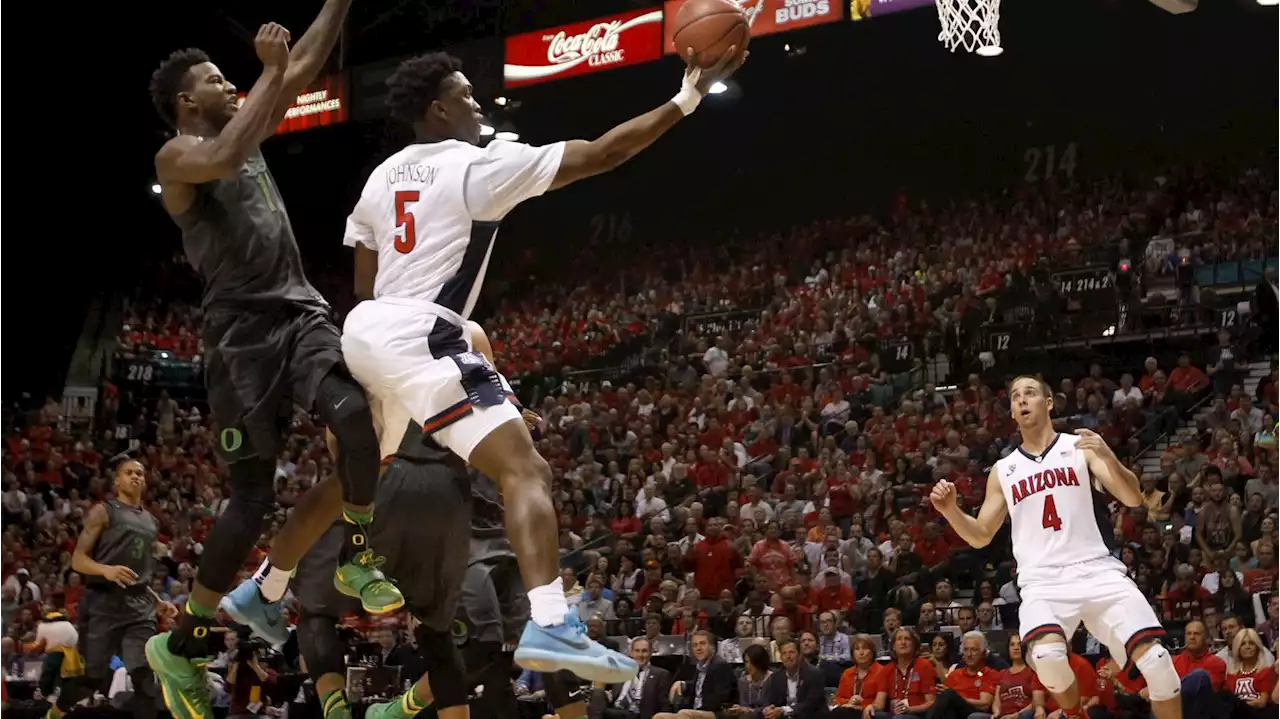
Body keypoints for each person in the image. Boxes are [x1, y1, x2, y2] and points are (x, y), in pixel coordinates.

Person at [336, 41, 745, 683]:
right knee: (526, 470)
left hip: (366, 331)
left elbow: (364, 279)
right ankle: (552, 623)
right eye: (467, 96)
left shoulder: (380, 176)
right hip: (421, 333)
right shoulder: (477, 167)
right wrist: (687, 96)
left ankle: (269, 584)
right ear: (439, 111)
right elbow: (605, 152)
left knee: (367, 467)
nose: (478, 105)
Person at [144, 3, 403, 718]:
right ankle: (185, 642)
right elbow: (225, 154)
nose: (231, 86)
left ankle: (358, 553)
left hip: (300, 313)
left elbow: (307, 64)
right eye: (215, 80)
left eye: (234, 79)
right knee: (250, 500)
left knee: (356, 418)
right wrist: (267, 73)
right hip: (239, 339)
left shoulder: (248, 125)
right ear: (186, 101)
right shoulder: (178, 158)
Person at [930, 375, 1184, 719]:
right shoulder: (1004, 470)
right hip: (1043, 581)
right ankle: (1075, 714)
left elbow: (1132, 496)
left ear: (1048, 403)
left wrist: (1108, 454)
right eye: (1016, 396)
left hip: (1097, 570)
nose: (1022, 400)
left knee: (1157, 662)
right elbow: (980, 535)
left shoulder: (1079, 448)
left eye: (1030, 393)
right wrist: (951, 512)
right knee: (1047, 659)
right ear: (1012, 412)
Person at [50, 458, 176, 719]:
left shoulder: (152, 522)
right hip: (102, 603)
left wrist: (156, 601)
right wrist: (106, 570)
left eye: (140, 473)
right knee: (92, 678)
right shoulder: (103, 511)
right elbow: (78, 560)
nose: (135, 477)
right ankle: (55, 712)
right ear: (117, 480)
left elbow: (137, 575)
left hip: (139, 607)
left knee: (143, 673)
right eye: (129, 473)